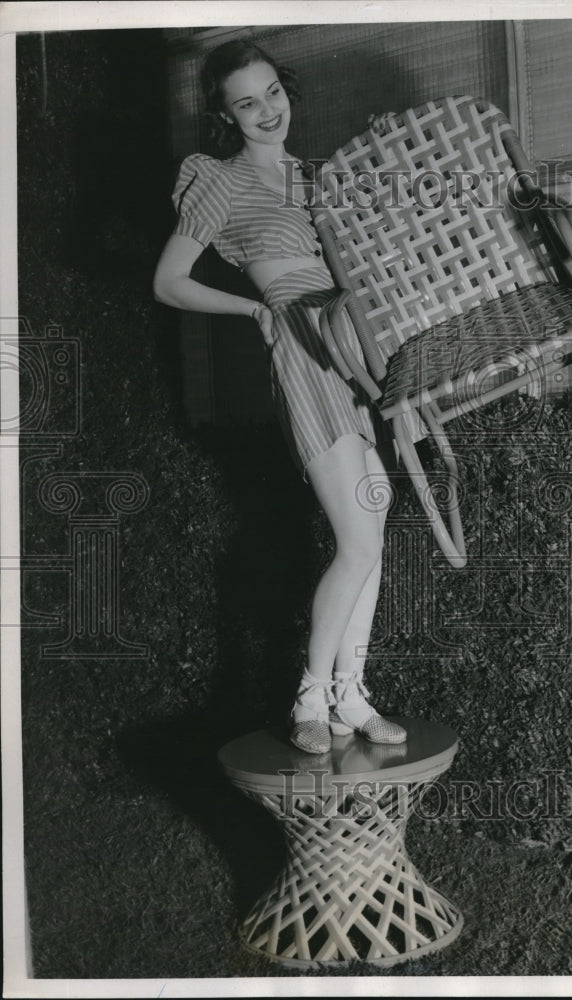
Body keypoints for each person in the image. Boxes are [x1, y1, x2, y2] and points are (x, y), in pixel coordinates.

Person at [153, 35, 406, 755]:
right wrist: (254, 312)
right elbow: (168, 281)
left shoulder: (315, 177)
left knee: (374, 533)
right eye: (246, 102)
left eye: (273, 92)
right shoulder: (219, 182)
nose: (267, 110)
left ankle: (352, 698)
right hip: (300, 343)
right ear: (226, 115)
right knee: (356, 540)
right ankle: (310, 699)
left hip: (352, 348)